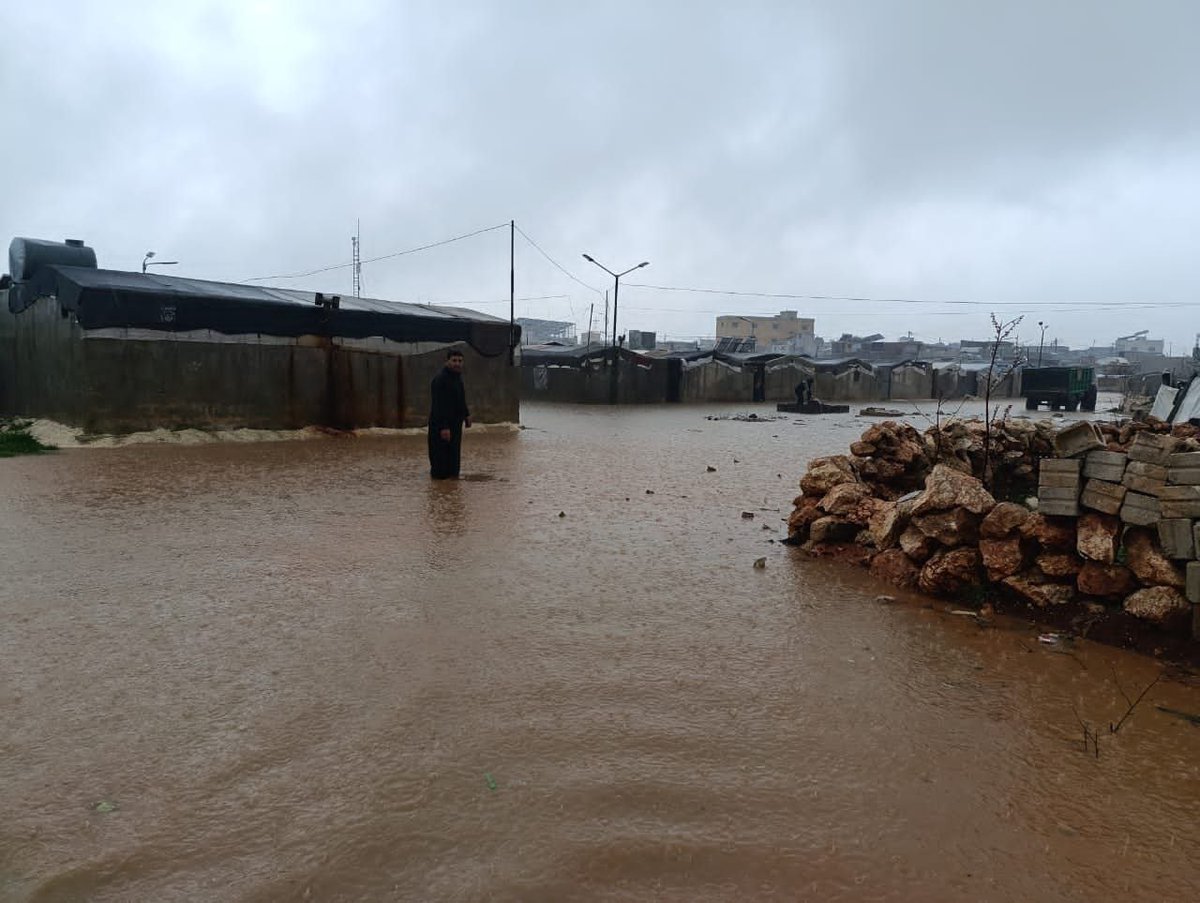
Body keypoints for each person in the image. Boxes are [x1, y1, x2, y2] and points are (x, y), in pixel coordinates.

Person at [428, 349, 472, 479]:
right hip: (441, 426)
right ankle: (438, 492)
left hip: (455, 425)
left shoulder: (457, 378)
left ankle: (451, 492)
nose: (457, 364)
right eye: (454, 361)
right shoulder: (440, 379)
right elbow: (438, 406)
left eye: (459, 361)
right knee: (440, 462)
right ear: (447, 361)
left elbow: (460, 399)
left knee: (453, 459)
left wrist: (467, 415)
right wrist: (444, 427)